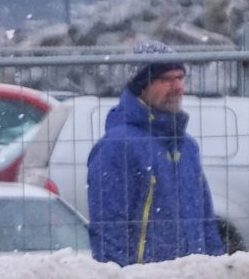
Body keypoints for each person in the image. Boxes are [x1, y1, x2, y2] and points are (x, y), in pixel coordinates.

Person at [86, 48, 223, 265]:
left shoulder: (187, 148)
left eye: (180, 78)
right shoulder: (117, 146)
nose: (177, 87)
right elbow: (109, 233)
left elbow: (206, 225)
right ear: (142, 86)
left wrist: (217, 269)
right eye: (166, 79)